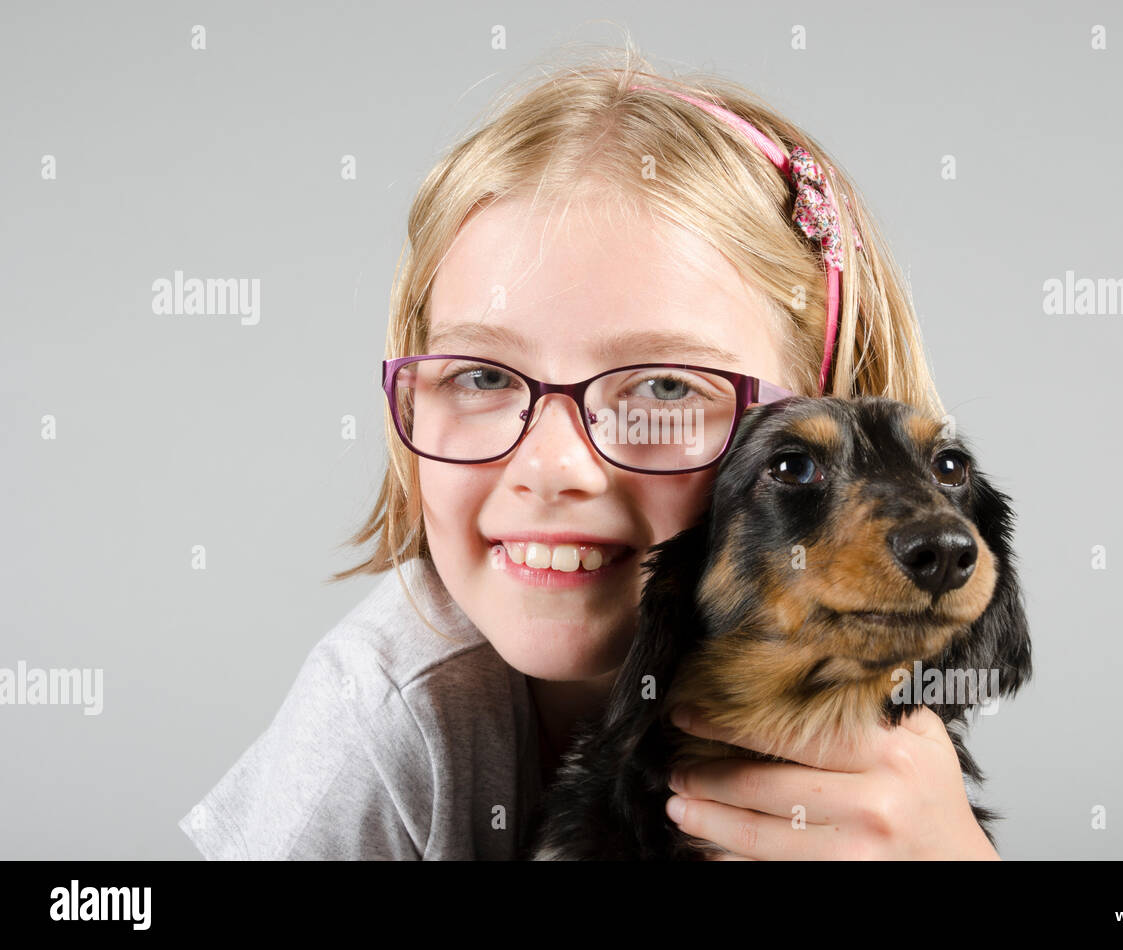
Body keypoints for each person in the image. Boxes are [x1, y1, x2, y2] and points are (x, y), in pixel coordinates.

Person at [178, 47, 999, 860]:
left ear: (832, 415)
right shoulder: (386, 713)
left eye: (667, 390)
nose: (555, 467)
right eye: (483, 374)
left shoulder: (880, 686)